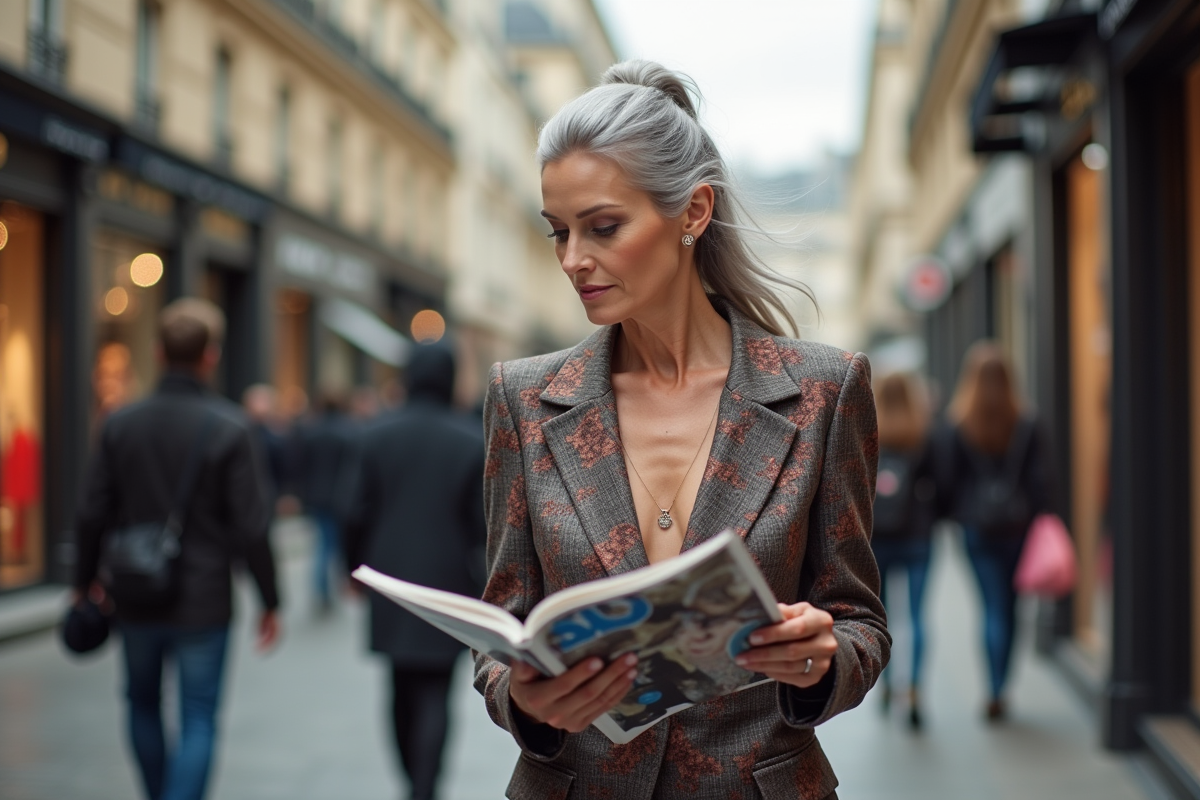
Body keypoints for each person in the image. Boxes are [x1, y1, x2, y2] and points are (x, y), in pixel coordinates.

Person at [473, 60, 888, 799]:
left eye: (603, 227)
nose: (573, 259)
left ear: (693, 212)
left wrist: (821, 658)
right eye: (558, 232)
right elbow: (501, 630)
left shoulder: (824, 392)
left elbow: (860, 621)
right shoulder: (524, 399)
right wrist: (523, 699)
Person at [73, 298, 281, 800]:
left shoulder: (120, 423)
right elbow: (253, 526)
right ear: (211, 355)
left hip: (134, 591)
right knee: (199, 717)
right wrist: (270, 600)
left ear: (157, 351)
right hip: (204, 598)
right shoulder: (230, 427)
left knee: (141, 704)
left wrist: (82, 581)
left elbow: (91, 511)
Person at [344, 342, 486, 800]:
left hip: (389, 578)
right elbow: (482, 526)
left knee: (398, 686)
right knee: (436, 691)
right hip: (449, 581)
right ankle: (425, 787)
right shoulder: (471, 439)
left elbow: (354, 511)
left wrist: (352, 571)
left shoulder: (375, 434)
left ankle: (412, 782)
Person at [938, 341, 1053, 721]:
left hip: (977, 528)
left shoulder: (959, 424)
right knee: (1012, 606)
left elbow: (948, 481)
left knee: (990, 606)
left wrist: (956, 513)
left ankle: (992, 688)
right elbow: (1042, 481)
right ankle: (1003, 686)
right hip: (1019, 527)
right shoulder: (1027, 422)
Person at [869, 372, 937, 730]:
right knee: (918, 616)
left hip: (876, 538)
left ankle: (885, 686)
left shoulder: (868, 431)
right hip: (918, 537)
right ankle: (914, 690)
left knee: (881, 617)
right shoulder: (923, 433)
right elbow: (942, 485)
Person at [297, 390, 355, 614]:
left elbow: (302, 466)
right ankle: (330, 588)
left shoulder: (311, 431)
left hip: (317, 496)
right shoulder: (348, 431)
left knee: (323, 544)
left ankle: (322, 591)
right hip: (340, 497)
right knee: (332, 546)